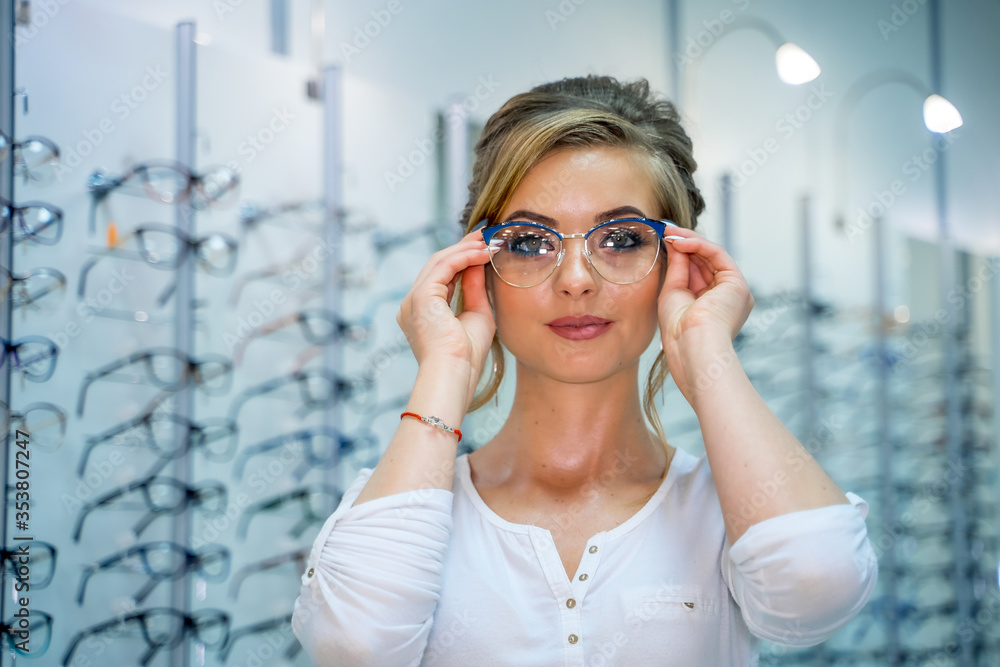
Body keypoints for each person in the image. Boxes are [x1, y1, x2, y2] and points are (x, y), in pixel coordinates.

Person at [291, 75, 878, 666]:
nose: (576, 278)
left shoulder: (732, 512)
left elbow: (818, 589)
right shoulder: (407, 511)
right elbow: (355, 650)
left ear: (678, 263)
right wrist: (445, 370)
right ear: (481, 268)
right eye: (529, 242)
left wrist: (709, 354)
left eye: (621, 238)